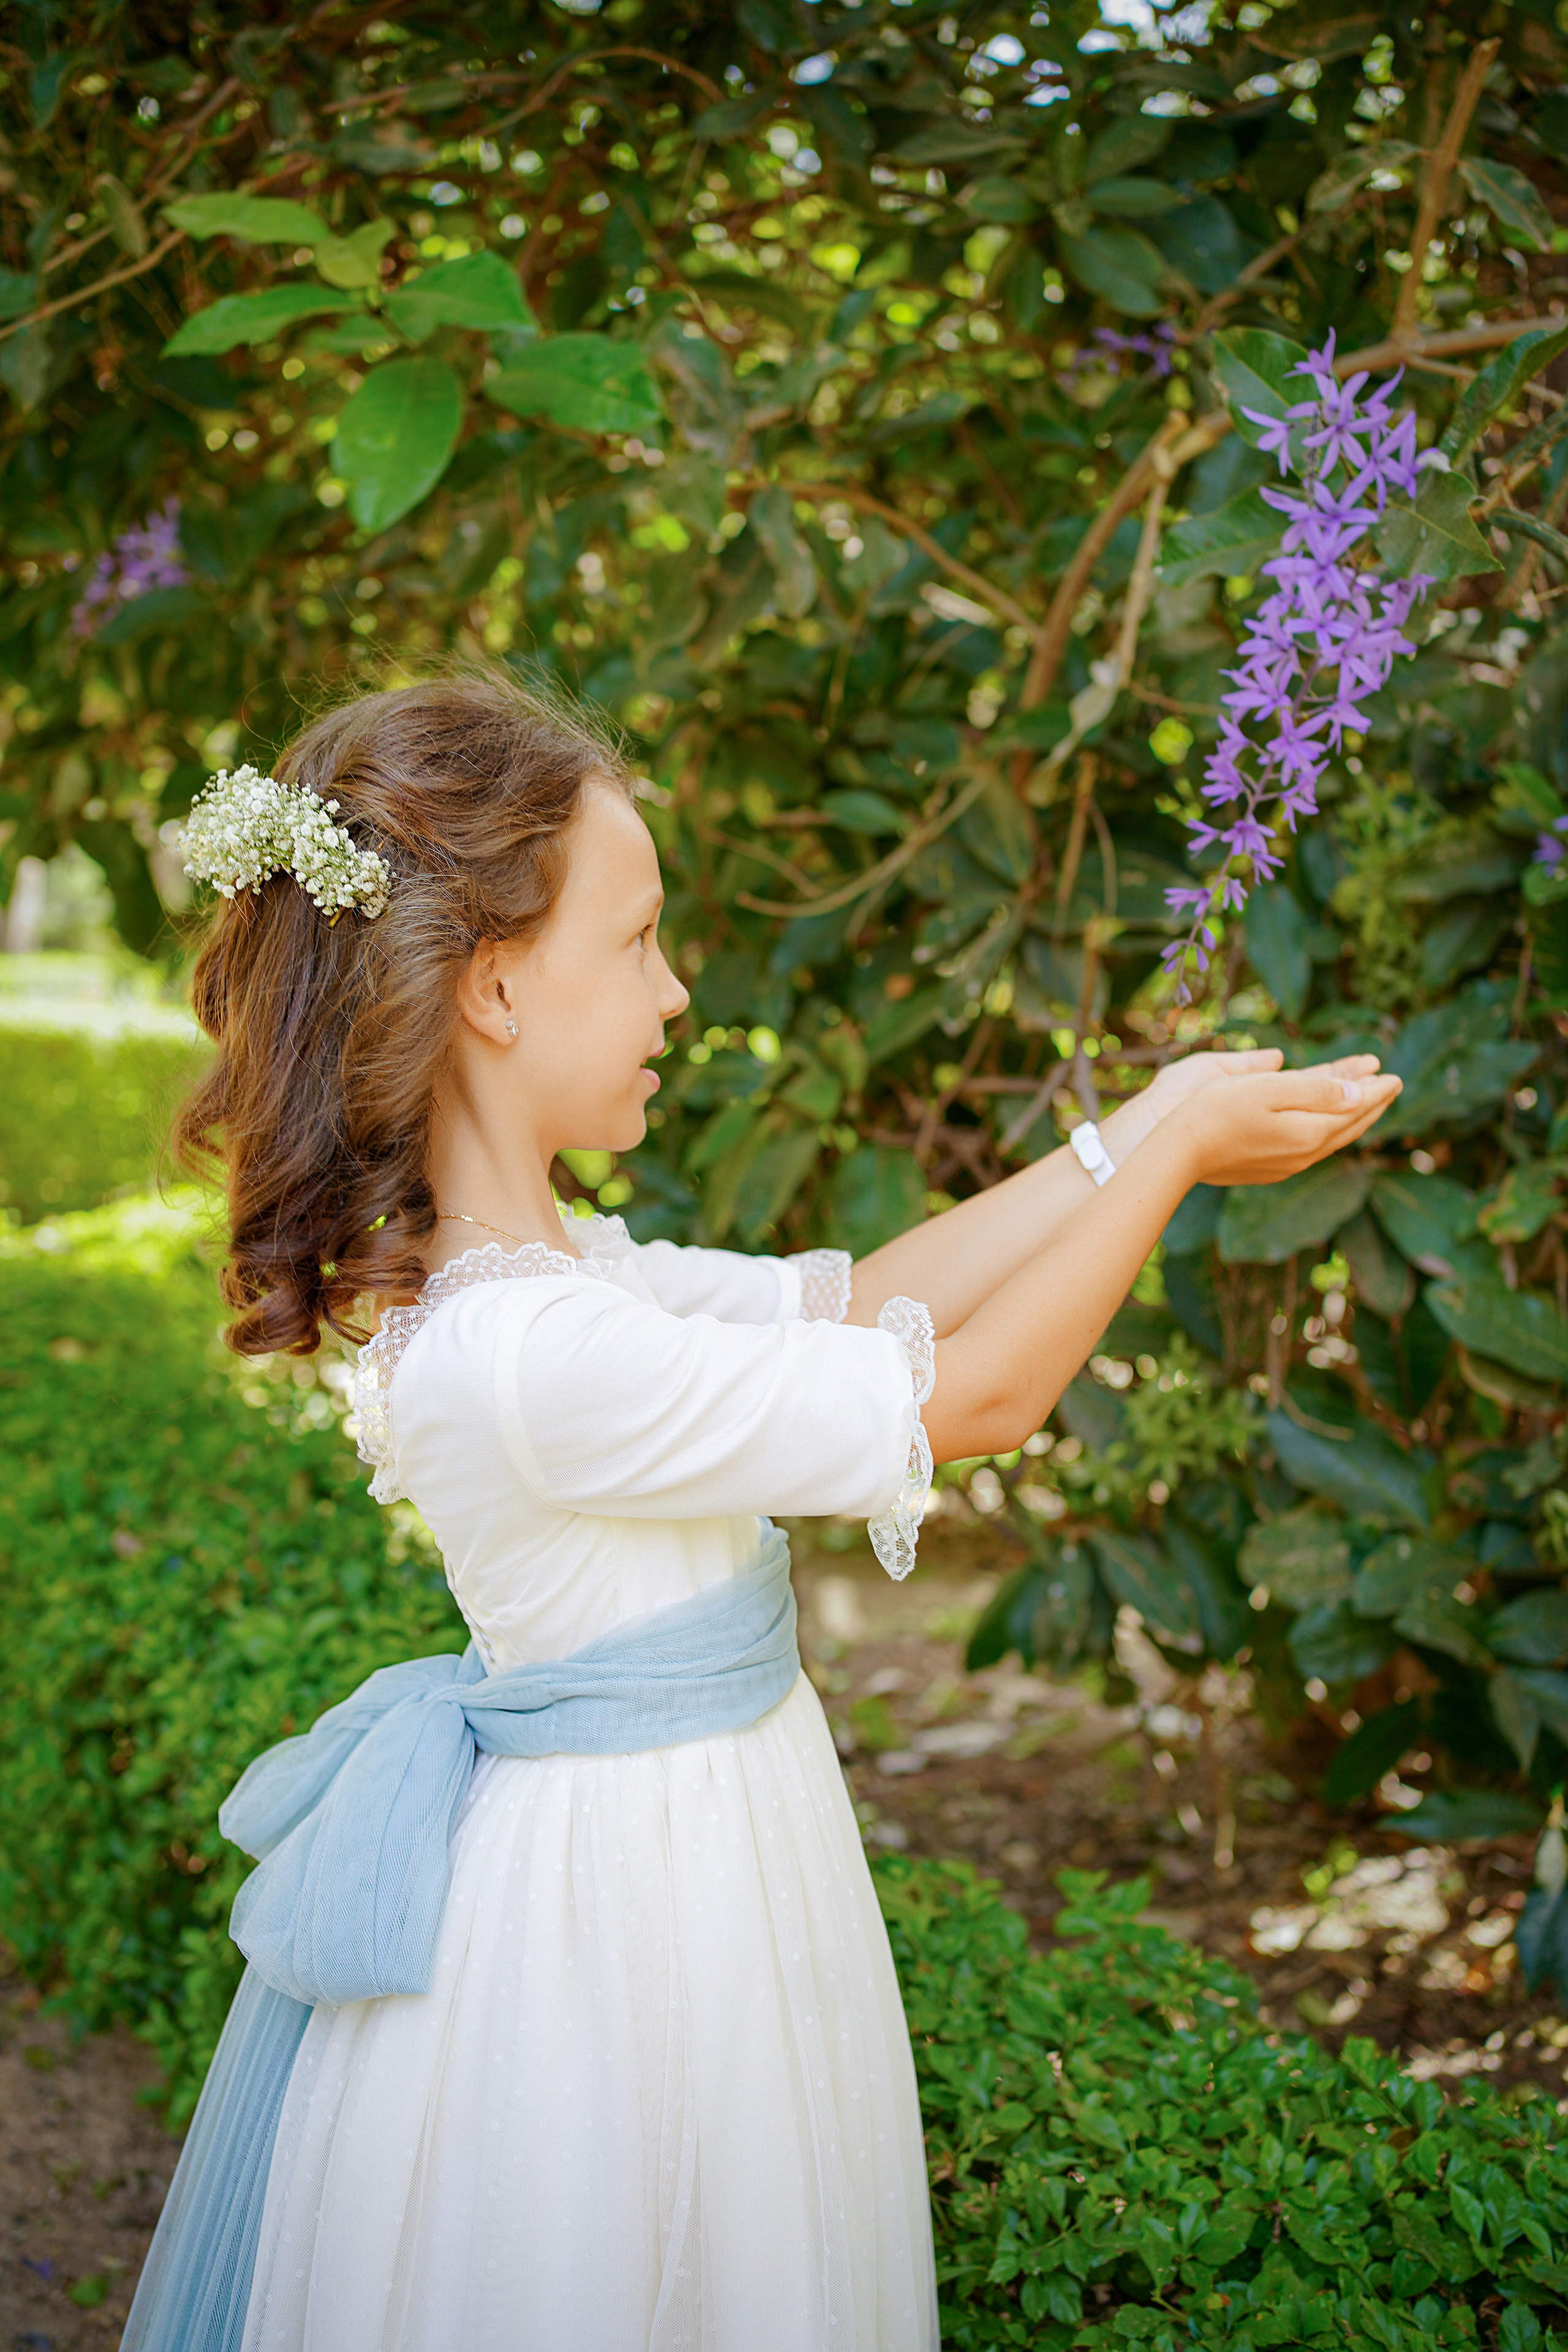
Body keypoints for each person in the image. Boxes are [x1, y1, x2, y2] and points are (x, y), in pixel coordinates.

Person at [122, 670, 1400, 2352]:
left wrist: (1131, 1133)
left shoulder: (554, 1277)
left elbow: (858, 1304)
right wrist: (1169, 1165)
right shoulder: (526, 1352)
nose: (675, 988)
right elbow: (972, 1399)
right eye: (638, 939)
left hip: (689, 1840)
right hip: (626, 1910)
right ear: (496, 983)